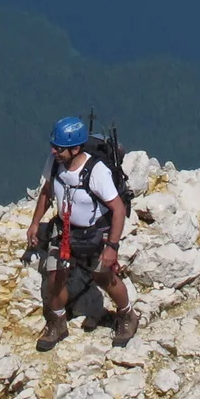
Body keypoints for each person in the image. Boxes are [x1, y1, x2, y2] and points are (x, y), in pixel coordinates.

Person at [26, 116, 138, 351]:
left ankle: (127, 315)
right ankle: (57, 323)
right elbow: (47, 192)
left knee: (103, 276)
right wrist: (35, 223)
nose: (54, 151)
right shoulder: (55, 162)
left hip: (94, 233)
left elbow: (117, 209)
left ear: (76, 148)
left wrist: (112, 247)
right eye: (54, 146)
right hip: (65, 230)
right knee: (56, 275)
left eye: (59, 148)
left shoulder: (96, 171)